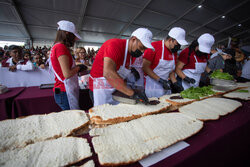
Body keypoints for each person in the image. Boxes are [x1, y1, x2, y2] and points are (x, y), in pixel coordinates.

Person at [89, 28, 154, 106]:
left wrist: (132, 89)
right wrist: (132, 93)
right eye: (141, 48)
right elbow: (108, 73)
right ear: (133, 39)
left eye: (145, 49)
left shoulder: (131, 55)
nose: (143, 52)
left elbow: (122, 75)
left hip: (115, 88)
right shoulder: (114, 44)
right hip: (100, 87)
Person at [50, 20, 87, 110]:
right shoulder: (60, 47)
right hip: (64, 91)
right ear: (67, 33)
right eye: (73, 36)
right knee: (73, 118)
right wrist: (79, 67)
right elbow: (66, 74)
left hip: (61, 90)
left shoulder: (56, 46)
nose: (74, 39)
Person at [143, 27, 188, 97]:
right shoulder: (154, 47)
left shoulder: (174, 52)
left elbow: (170, 70)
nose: (178, 47)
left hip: (165, 84)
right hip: (151, 85)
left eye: (180, 45)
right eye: (177, 44)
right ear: (170, 40)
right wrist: (160, 80)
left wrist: (175, 82)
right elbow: (145, 67)